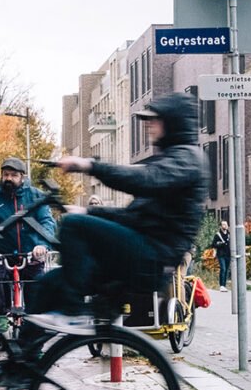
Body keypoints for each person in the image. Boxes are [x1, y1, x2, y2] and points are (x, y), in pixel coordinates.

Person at [21, 93, 207, 337]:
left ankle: (74, 312)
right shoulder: (172, 160)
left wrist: (89, 166)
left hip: (152, 259)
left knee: (73, 226)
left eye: (155, 120)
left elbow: (144, 180)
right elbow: (134, 217)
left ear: (173, 122)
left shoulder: (188, 160)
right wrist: (89, 211)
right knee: (48, 285)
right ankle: (21, 367)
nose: (148, 125)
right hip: (141, 254)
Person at [0, 157, 56, 320]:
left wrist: (41, 245)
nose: (9, 179)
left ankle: (34, 330)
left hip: (31, 253)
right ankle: (1, 315)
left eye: (13, 175)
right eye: (6, 175)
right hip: (2, 254)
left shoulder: (36, 196)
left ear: (22, 177)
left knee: (36, 294)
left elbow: (46, 221)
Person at [211, 220, 231, 291]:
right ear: (221, 226)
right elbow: (213, 244)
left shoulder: (229, 234)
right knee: (223, 269)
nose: (225, 226)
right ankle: (221, 285)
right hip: (221, 255)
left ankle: (224, 285)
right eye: (224, 225)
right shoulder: (218, 235)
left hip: (228, 254)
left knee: (227, 270)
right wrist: (221, 244)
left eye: (226, 224)